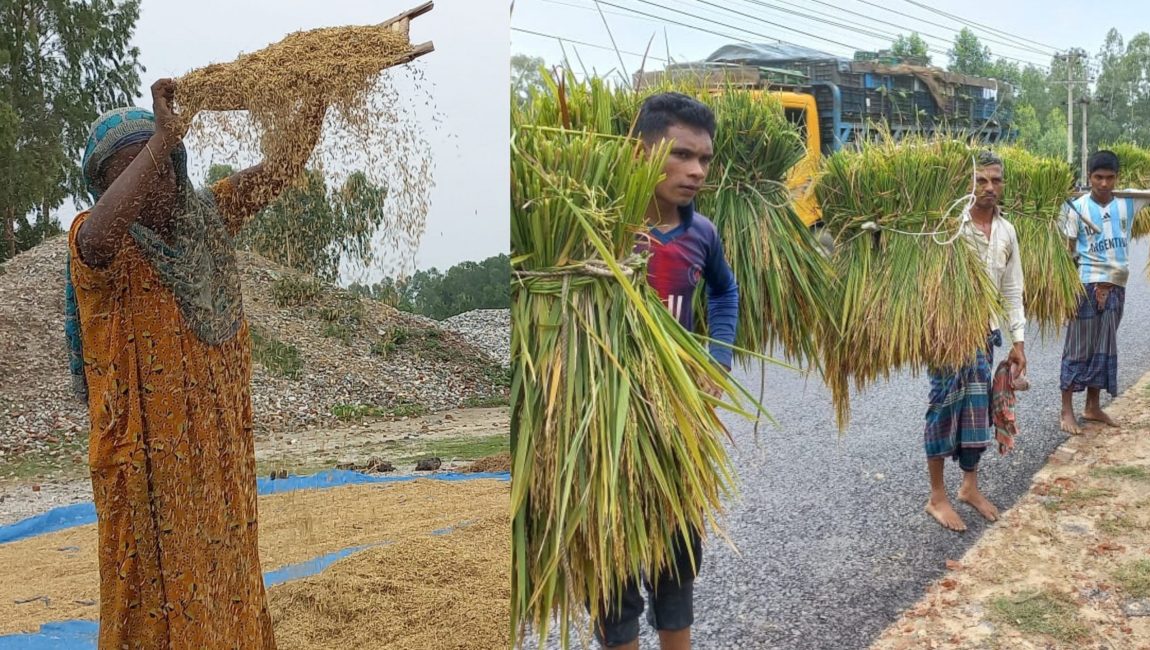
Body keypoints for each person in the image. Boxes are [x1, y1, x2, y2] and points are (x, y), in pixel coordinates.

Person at [65, 78, 324, 649]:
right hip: (143, 467)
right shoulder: (95, 241)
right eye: (125, 175)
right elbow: (100, 237)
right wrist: (160, 136)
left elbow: (277, 172)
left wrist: (318, 100)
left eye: (159, 167)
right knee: (149, 593)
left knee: (223, 574)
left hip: (214, 453)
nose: (149, 185)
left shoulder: (205, 218)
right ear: (105, 187)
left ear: (177, 167)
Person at [591, 92, 738, 650]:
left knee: (676, 559)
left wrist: (716, 360)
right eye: (682, 155)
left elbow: (725, 293)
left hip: (678, 421)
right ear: (639, 151)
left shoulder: (702, 234)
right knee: (613, 568)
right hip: (606, 424)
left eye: (705, 159)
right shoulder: (599, 228)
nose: (697, 171)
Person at [924, 150, 1027, 533]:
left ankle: (969, 487)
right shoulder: (947, 225)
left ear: (1003, 183)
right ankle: (937, 496)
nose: (988, 187)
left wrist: (1018, 341)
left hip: (985, 334)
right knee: (942, 410)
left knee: (976, 412)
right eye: (980, 180)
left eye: (995, 180)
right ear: (968, 183)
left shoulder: (1007, 231)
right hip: (946, 336)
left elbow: (1013, 289)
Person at [1058, 149, 1148, 434]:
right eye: (1098, 177)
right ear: (1089, 177)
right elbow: (1067, 251)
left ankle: (1093, 406)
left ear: (1117, 178)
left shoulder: (1127, 205)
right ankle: (1066, 411)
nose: (1105, 184)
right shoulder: (1076, 207)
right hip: (1087, 283)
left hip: (1118, 284)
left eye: (1110, 178)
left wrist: (1134, 191)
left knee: (1104, 347)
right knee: (1079, 347)